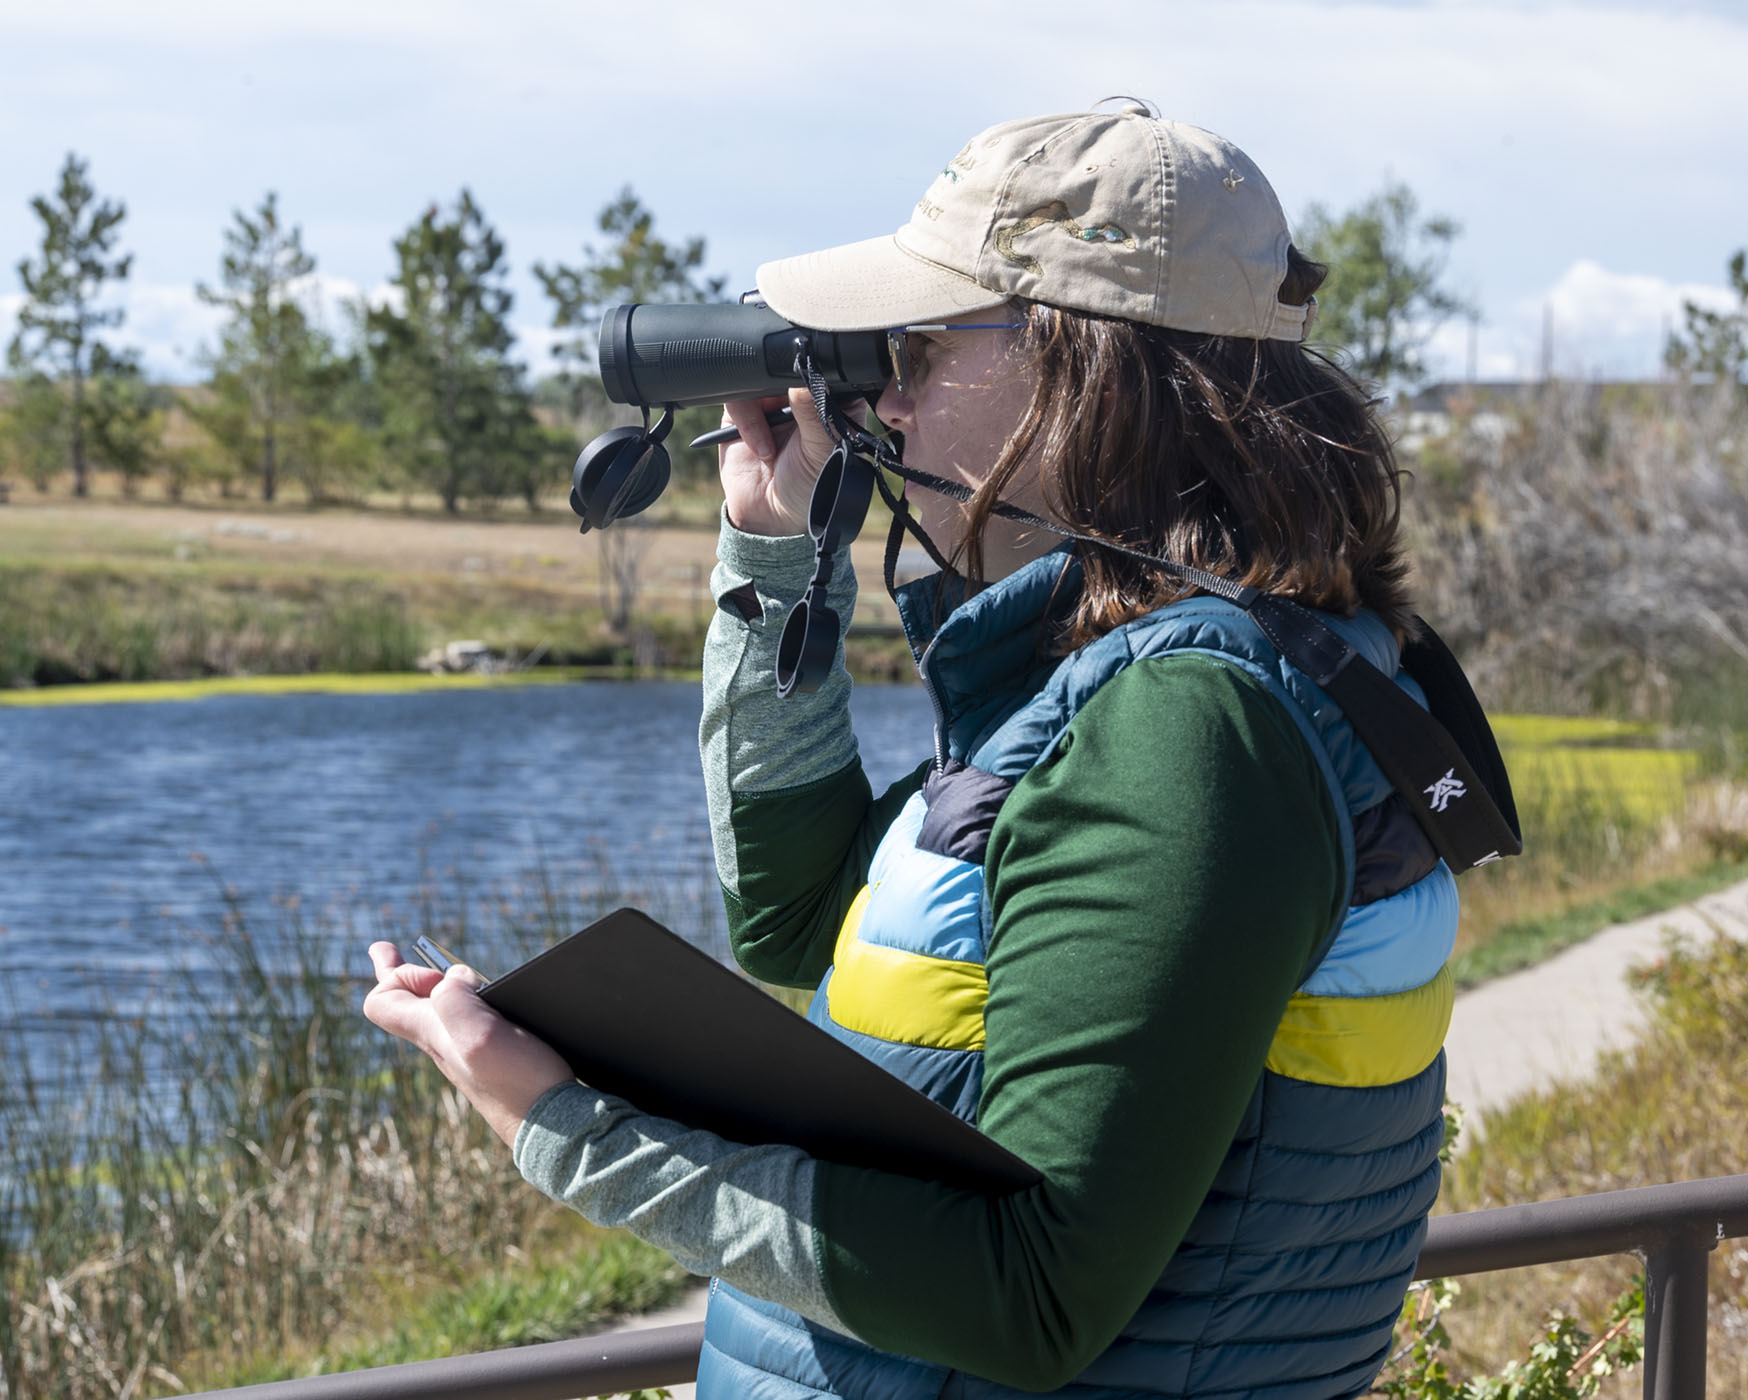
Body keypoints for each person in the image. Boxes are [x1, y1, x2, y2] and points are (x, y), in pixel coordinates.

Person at [364, 103, 1456, 1400]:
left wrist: (562, 1123)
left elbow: (1029, 1293)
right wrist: (776, 551)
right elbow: (799, 915)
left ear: (1082, 369)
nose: (883, 397)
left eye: (926, 348)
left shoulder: (1191, 728)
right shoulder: (1208, 667)